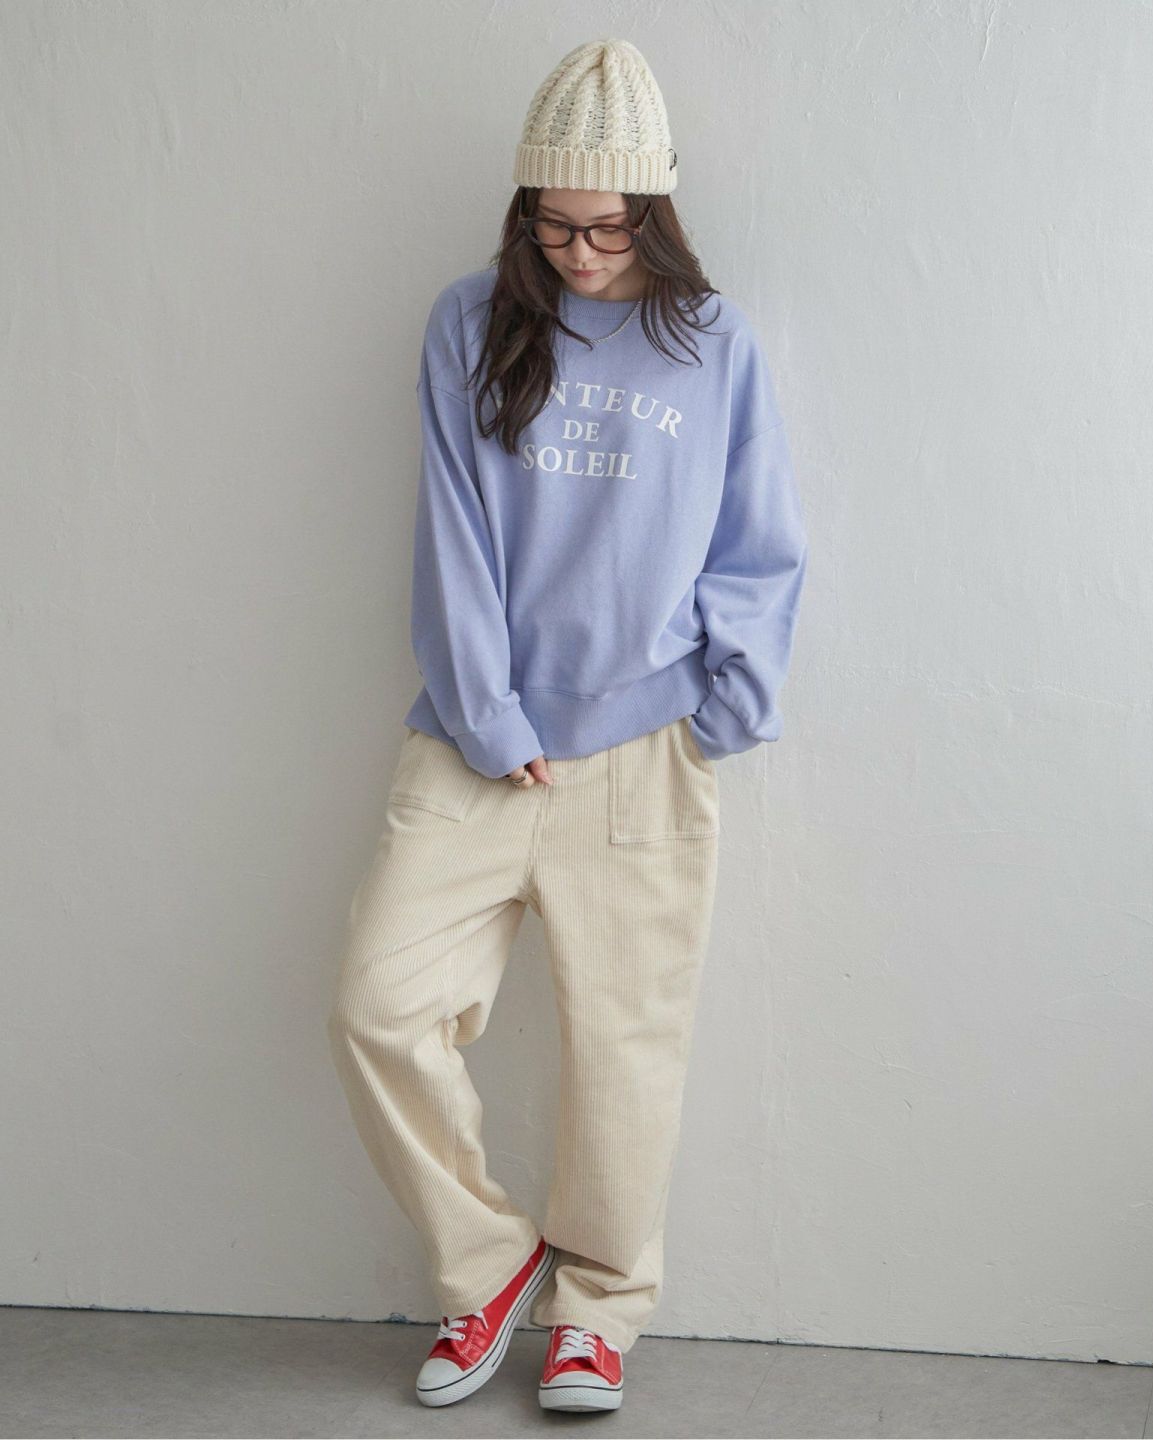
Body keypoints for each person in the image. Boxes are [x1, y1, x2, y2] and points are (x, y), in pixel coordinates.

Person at [326, 36, 809, 1414]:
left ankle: (598, 1311)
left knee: (624, 1054)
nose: (583, 253)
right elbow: (452, 532)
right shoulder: (469, 320)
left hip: (651, 744)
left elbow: (758, 540)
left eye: (609, 227)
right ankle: (488, 1270)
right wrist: (487, 715)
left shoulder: (713, 342)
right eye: (556, 224)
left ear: (654, 209)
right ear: (524, 208)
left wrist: (725, 710)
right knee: (378, 1004)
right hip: (476, 744)